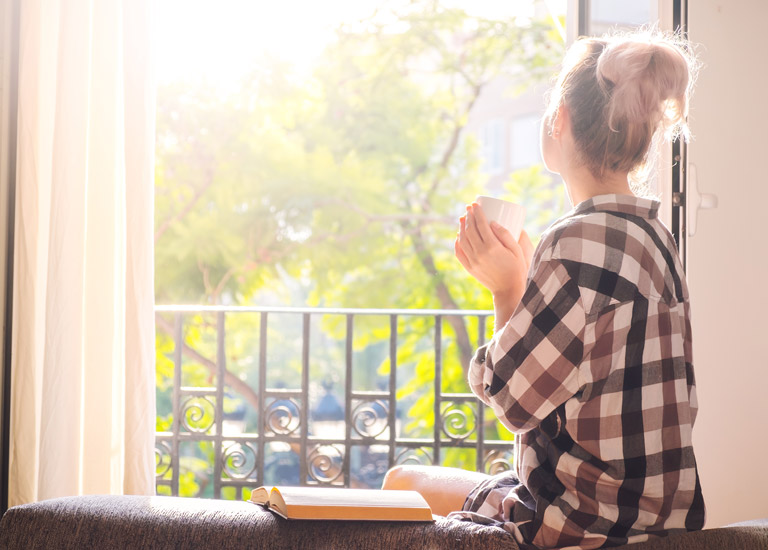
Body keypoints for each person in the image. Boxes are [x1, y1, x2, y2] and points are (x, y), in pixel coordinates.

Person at [382, 30, 705, 549]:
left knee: (402, 482)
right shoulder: (658, 239)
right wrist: (534, 282)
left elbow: (512, 401)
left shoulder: (571, 242)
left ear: (560, 121)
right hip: (665, 521)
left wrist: (507, 288)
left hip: (581, 525)